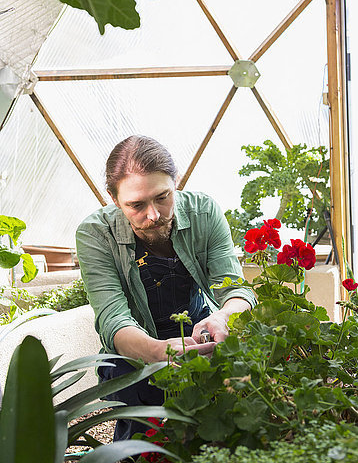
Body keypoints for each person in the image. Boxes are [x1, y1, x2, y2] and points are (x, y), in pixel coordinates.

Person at [76, 135, 256, 440]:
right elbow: (112, 321)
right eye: (136, 205)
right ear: (113, 197)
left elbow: (237, 290)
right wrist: (157, 351)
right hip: (134, 350)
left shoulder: (204, 212)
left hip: (196, 334)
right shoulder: (95, 234)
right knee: (145, 439)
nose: (153, 215)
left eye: (163, 196)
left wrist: (221, 318)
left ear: (177, 181)